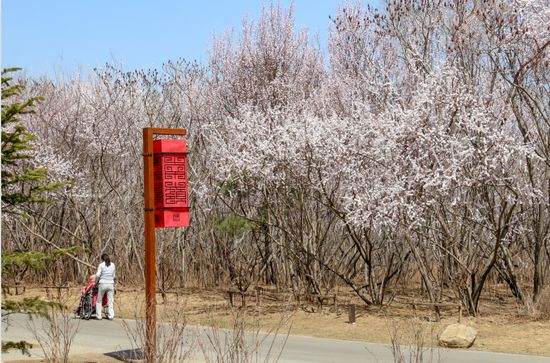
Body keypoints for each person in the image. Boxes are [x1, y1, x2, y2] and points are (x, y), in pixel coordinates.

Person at [95, 253, 115, 320]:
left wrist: (95, 283)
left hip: (102, 283)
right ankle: (111, 315)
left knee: (99, 300)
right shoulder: (113, 265)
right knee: (110, 301)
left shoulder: (101, 265)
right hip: (111, 284)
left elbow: (98, 275)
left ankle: (99, 316)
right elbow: (114, 276)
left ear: (102, 259)